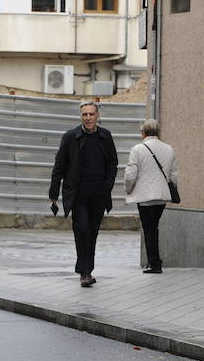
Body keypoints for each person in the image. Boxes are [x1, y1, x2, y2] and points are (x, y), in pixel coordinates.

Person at [49, 101, 118, 288]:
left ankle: (88, 269)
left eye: (91, 114)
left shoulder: (105, 136)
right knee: (82, 230)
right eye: (84, 114)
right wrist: (53, 193)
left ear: (97, 116)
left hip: (99, 194)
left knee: (92, 232)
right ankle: (84, 272)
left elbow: (113, 163)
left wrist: (107, 187)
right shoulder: (71, 137)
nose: (88, 118)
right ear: (80, 116)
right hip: (78, 194)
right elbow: (59, 166)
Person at [125, 119, 178, 274]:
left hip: (145, 197)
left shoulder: (137, 149)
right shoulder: (169, 149)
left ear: (143, 133)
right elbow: (174, 174)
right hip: (162, 196)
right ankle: (155, 261)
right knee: (153, 227)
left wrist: (129, 189)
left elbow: (130, 174)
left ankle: (155, 264)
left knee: (149, 229)